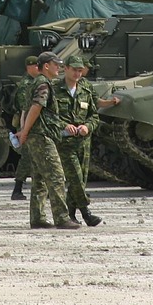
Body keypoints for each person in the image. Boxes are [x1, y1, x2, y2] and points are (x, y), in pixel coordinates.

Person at [13, 52, 78, 229]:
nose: (59, 68)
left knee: (39, 178)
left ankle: (37, 217)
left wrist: (24, 130)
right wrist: (25, 131)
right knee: (56, 176)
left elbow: (26, 109)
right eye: (56, 65)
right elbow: (36, 107)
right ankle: (62, 218)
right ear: (46, 66)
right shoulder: (43, 84)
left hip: (36, 135)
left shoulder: (35, 82)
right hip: (41, 136)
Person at [55, 55, 102, 226]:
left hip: (83, 142)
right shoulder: (55, 90)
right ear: (65, 68)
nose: (77, 73)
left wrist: (88, 126)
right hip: (64, 143)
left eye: (80, 70)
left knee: (81, 179)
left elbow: (94, 115)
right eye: (74, 69)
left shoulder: (86, 89)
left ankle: (71, 214)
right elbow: (48, 116)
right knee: (75, 177)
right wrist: (64, 125)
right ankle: (86, 213)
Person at [8, 55, 40, 201]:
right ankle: (17, 189)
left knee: (33, 158)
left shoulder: (35, 82)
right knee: (27, 157)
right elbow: (25, 108)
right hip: (27, 124)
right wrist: (24, 129)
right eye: (36, 66)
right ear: (29, 67)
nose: (38, 68)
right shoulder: (26, 84)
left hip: (32, 124)